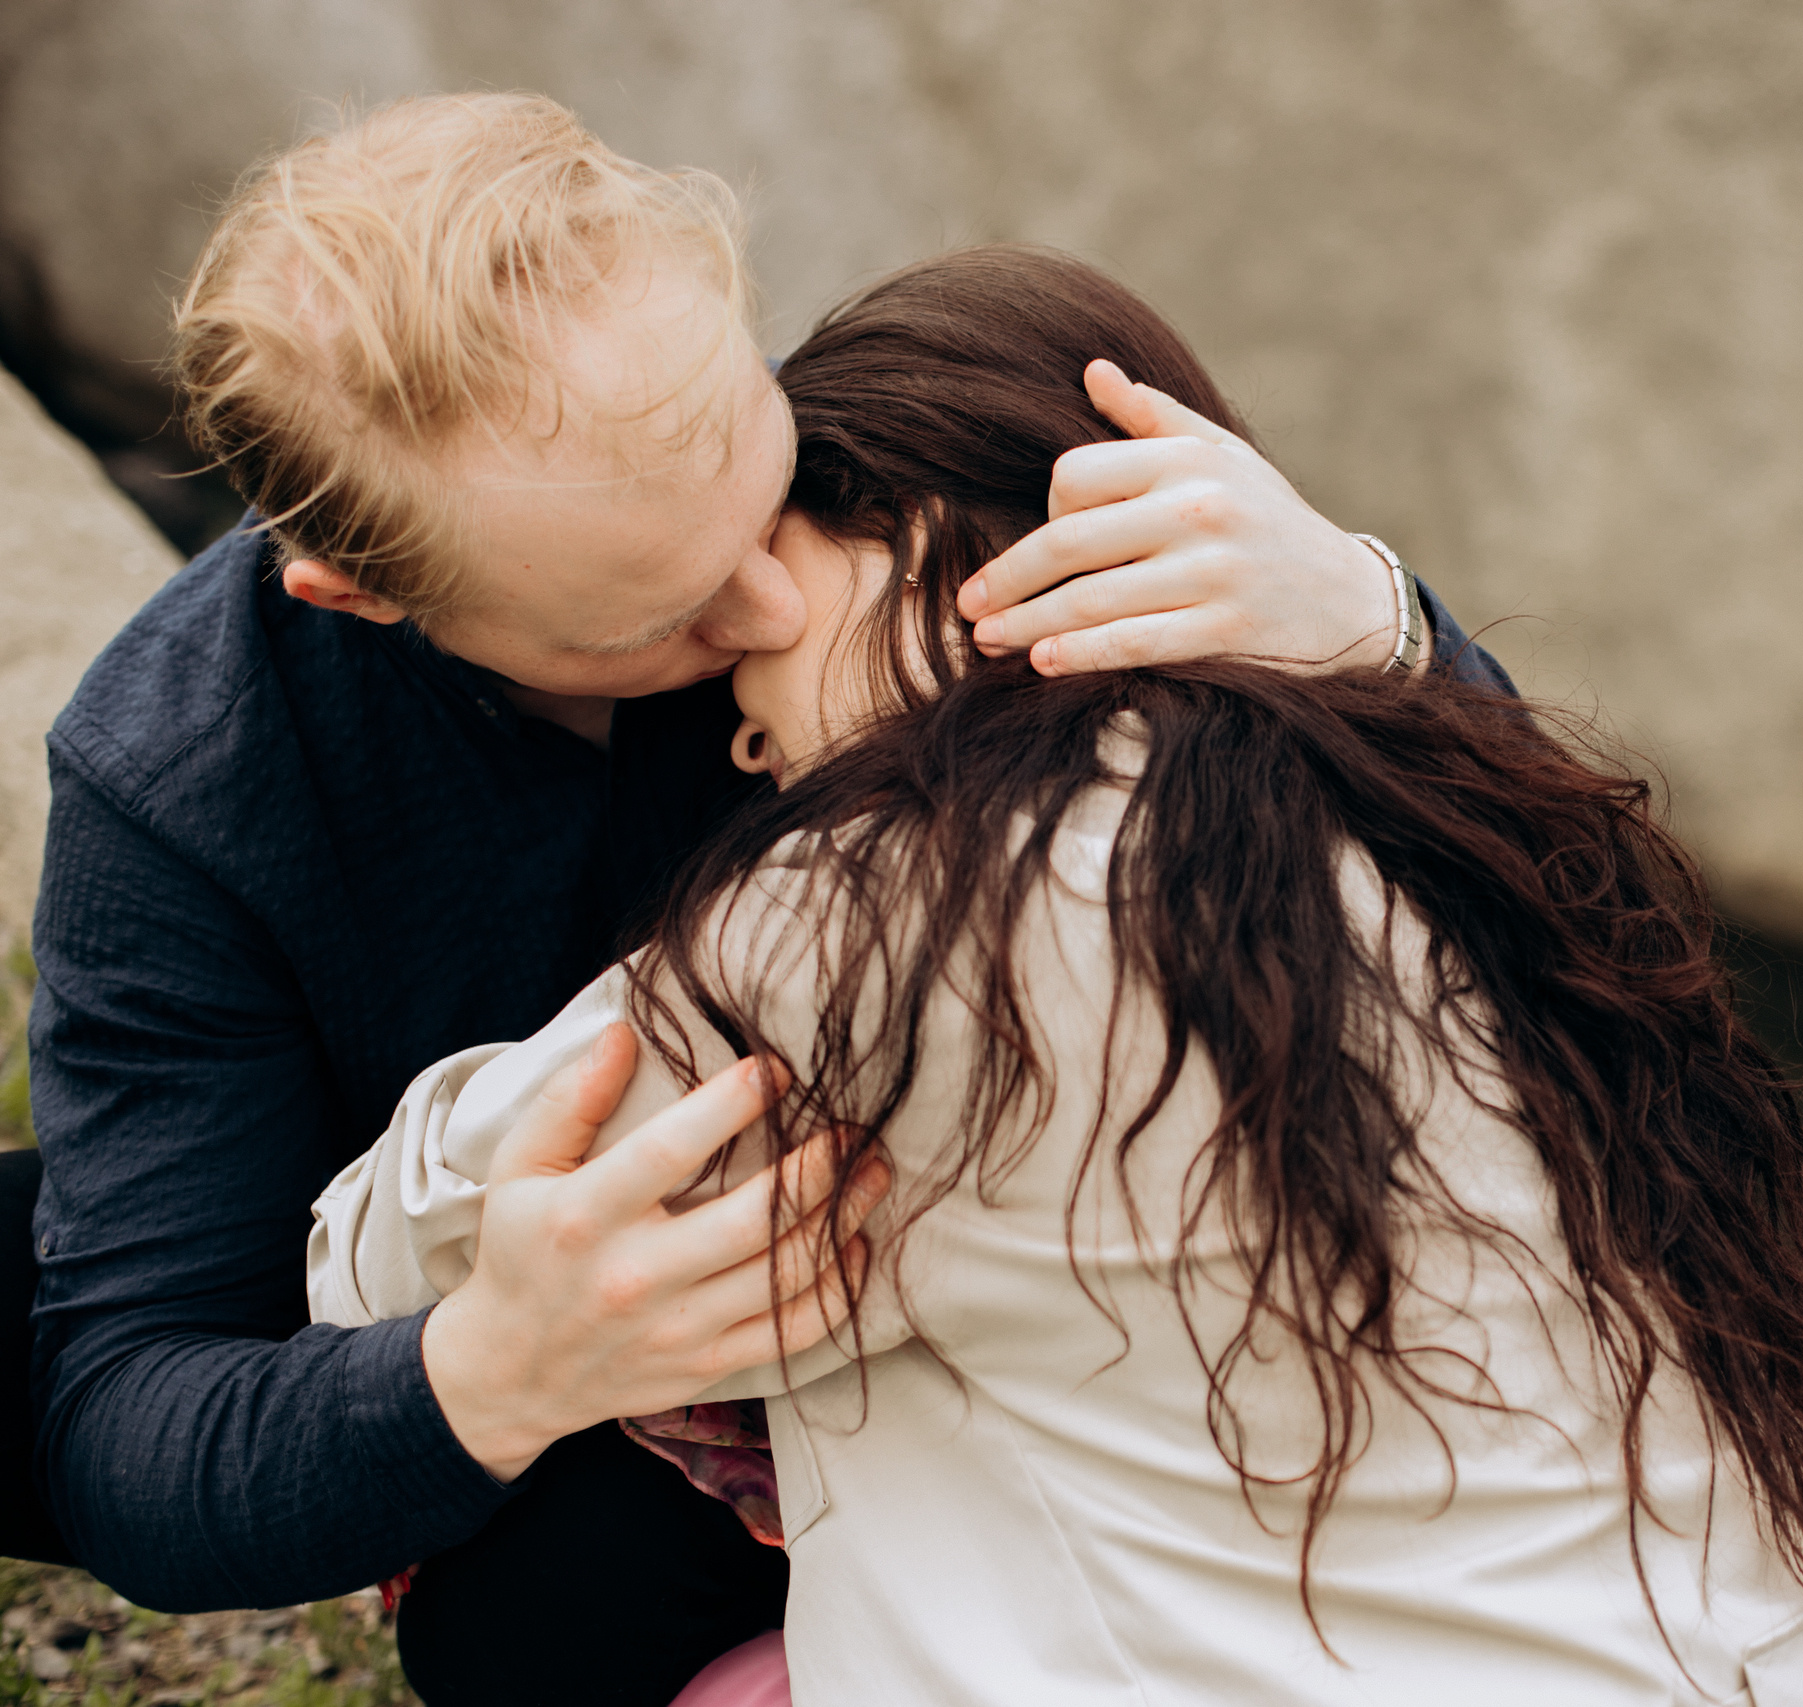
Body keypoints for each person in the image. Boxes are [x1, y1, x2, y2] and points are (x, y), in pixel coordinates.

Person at [20, 95, 1504, 1706]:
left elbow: (1512, 925)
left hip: (1056, 1328)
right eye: (647, 621)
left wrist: (1376, 630)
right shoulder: (182, 771)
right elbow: (130, 1426)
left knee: (536, 1617)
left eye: (763, 481)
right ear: (360, 594)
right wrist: (494, 1371)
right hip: (541, 1320)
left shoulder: (931, 476)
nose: (776, 604)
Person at [312, 245, 1803, 1705]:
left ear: (942, 543)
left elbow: (373, 1265)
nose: (733, 721)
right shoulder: (1453, 807)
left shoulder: (889, 913)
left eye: (761, 600)